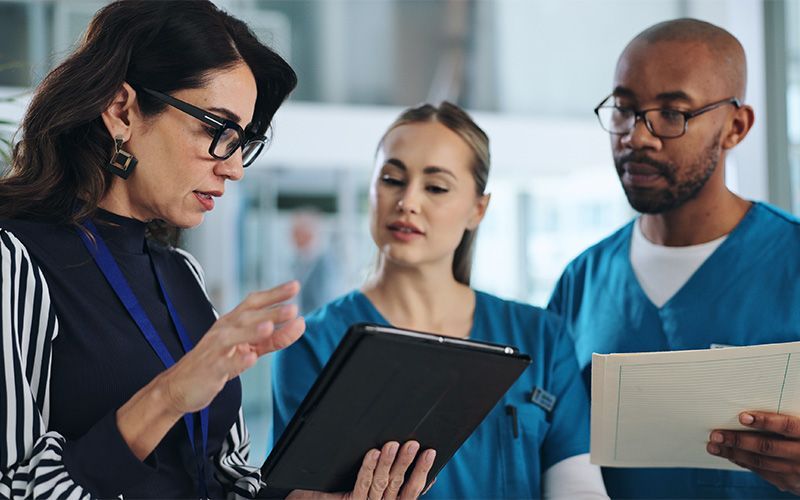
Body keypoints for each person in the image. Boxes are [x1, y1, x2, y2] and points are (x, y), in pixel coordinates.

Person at [0, 1, 432, 498]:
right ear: (122, 110)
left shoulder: (183, 273)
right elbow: (16, 488)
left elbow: (225, 475)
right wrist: (168, 395)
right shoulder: (15, 259)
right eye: (215, 129)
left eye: (243, 140)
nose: (234, 167)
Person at [271, 102, 609, 499]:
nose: (408, 202)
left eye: (435, 187)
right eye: (392, 179)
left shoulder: (541, 337)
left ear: (477, 210)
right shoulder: (312, 343)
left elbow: (577, 486)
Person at [548, 18, 800, 498]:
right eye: (624, 109)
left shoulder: (791, 262)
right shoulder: (581, 282)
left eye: (672, 113)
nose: (636, 137)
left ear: (736, 127)